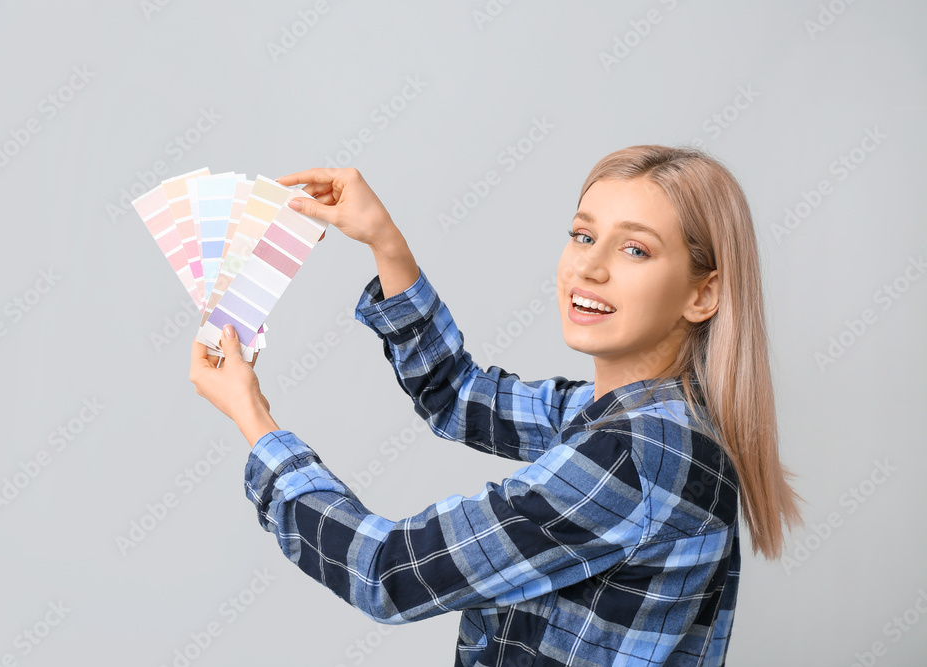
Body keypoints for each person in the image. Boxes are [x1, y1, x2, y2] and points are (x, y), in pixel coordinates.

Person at [189, 145, 804, 666]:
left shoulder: (632, 457)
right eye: (583, 235)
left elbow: (389, 573)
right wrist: (385, 242)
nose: (588, 266)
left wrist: (254, 420)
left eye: (634, 250)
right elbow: (461, 398)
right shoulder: (641, 419)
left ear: (704, 293)